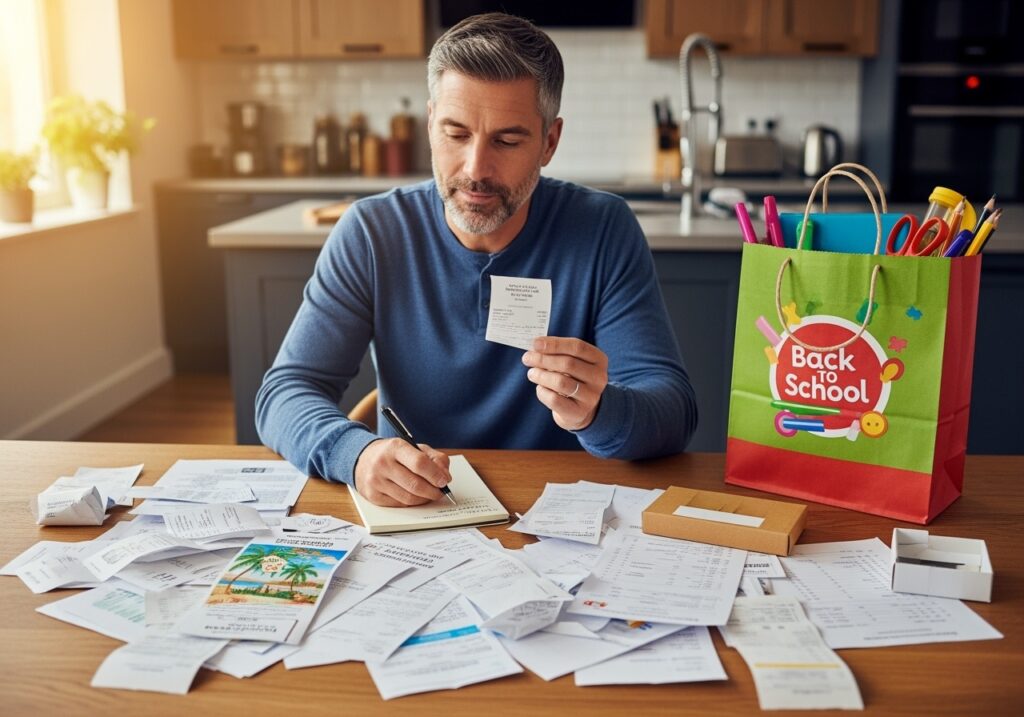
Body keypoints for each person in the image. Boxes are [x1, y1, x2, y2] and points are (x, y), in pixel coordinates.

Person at [256, 13, 697, 507]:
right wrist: (354, 455)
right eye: (456, 134)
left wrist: (599, 411)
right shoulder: (372, 233)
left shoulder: (602, 229)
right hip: (419, 516)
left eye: (507, 141)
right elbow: (285, 393)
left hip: (555, 514)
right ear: (429, 125)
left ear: (549, 142)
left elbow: (673, 411)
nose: (475, 170)